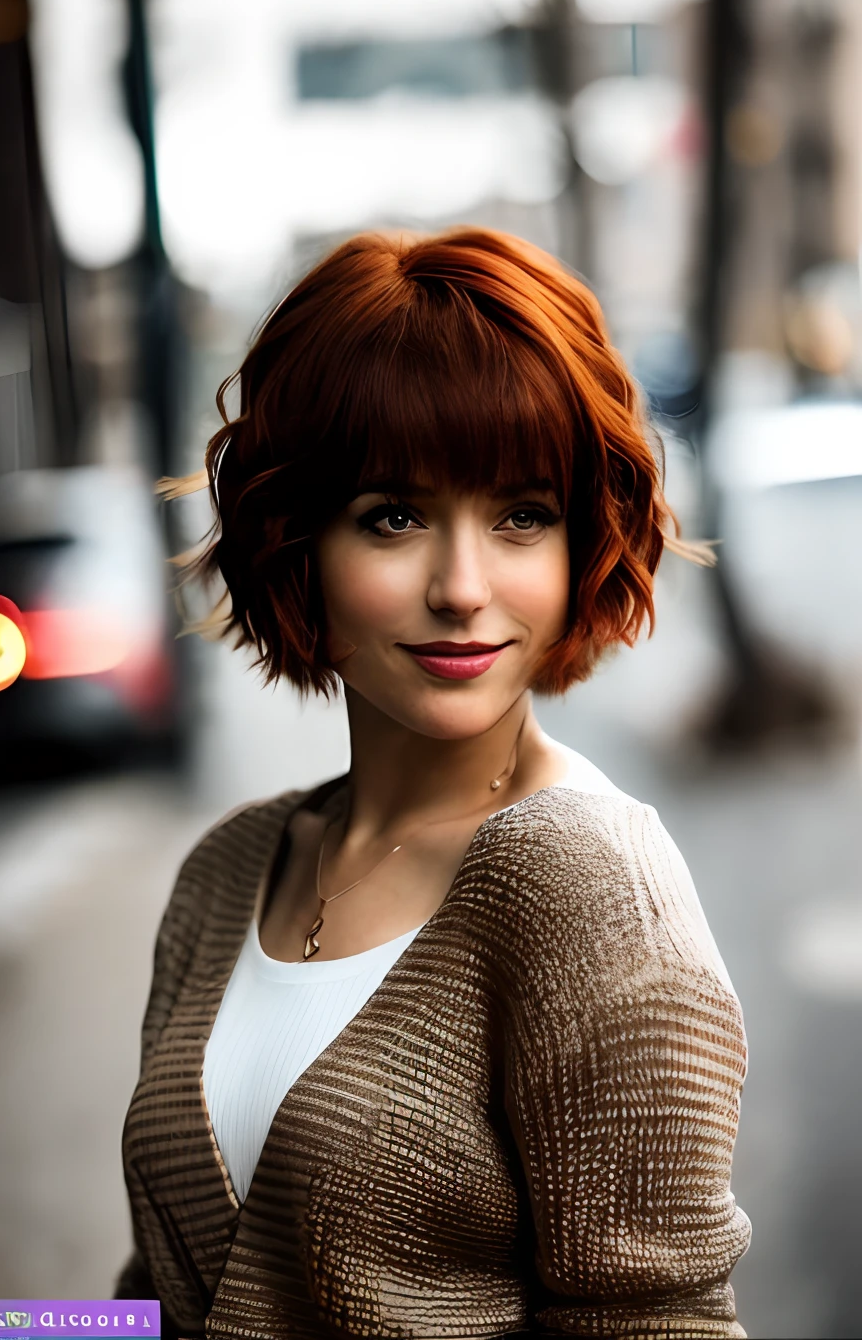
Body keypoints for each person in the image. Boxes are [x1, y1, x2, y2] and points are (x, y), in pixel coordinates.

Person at [114, 227, 751, 1339]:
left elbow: (665, 1320)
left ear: (581, 540)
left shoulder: (592, 896)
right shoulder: (225, 873)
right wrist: (27, 1325)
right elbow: (151, 1301)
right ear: (297, 539)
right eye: (394, 517)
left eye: (521, 515)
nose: (462, 588)